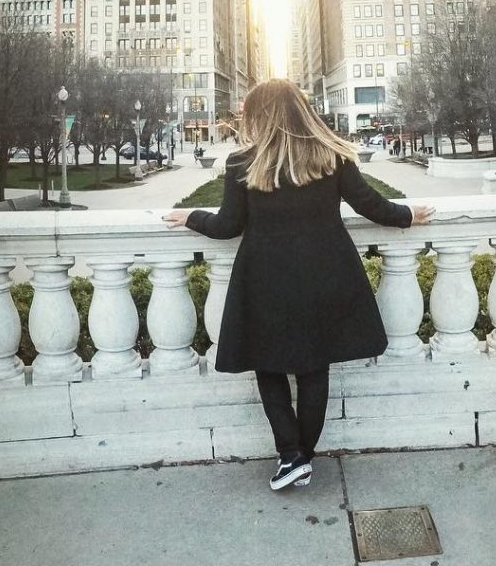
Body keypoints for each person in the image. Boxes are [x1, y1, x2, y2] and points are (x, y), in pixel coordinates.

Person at [163, 78, 433, 491]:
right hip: (325, 275)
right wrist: (408, 215)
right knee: (314, 368)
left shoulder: (243, 162)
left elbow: (227, 226)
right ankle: (298, 458)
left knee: (267, 365)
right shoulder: (331, 156)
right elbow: (371, 205)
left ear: (260, 116)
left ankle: (292, 456)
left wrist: (191, 216)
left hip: (264, 279)